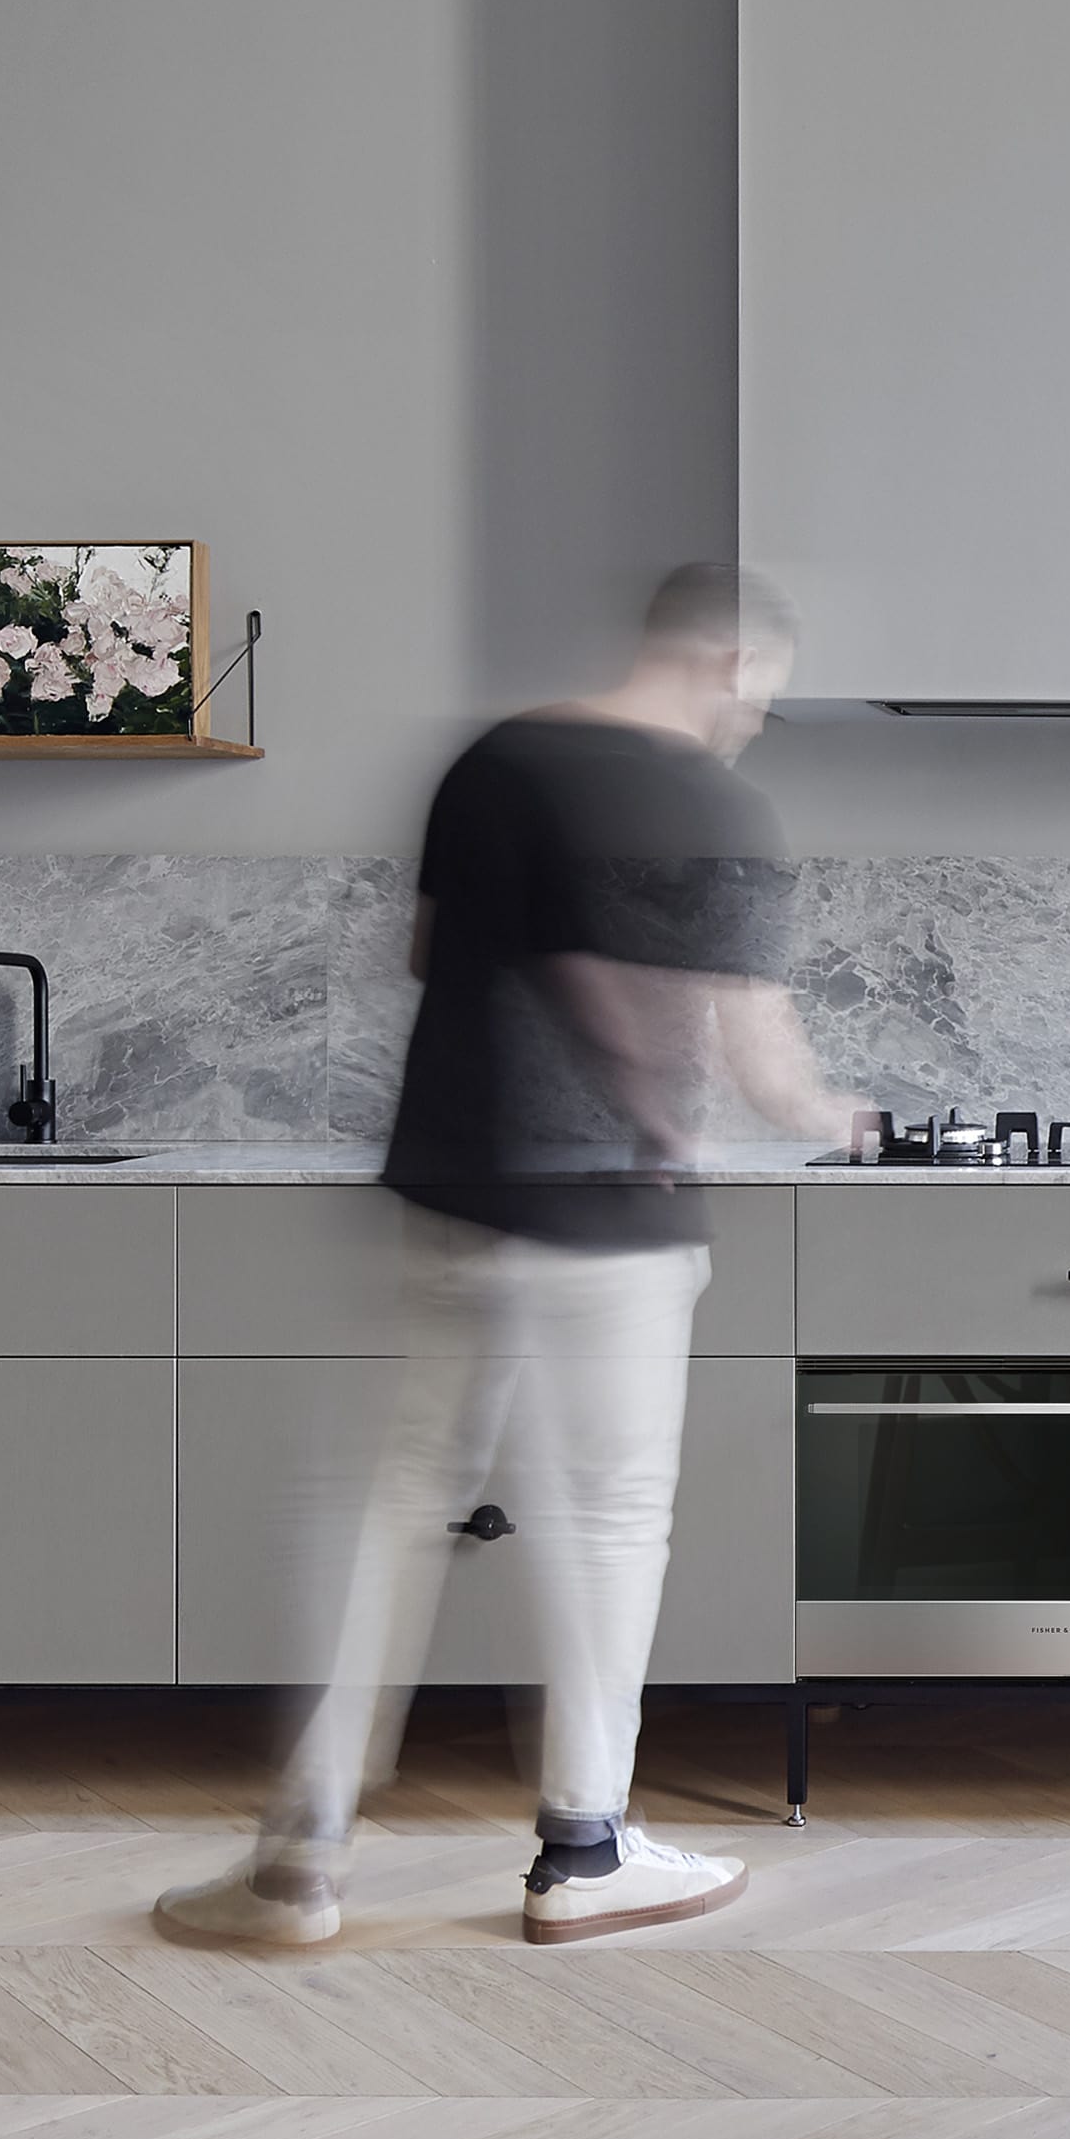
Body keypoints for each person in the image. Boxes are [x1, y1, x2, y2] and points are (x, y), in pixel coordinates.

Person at [157, 563, 853, 1949]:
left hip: (457, 1187)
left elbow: (429, 952)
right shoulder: (717, 804)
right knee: (603, 1524)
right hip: (614, 1214)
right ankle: (583, 1852)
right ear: (725, 659)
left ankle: (301, 1856)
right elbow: (754, 1053)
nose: (753, 721)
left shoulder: (493, 761)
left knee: (394, 1504)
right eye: (760, 694)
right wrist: (842, 1118)